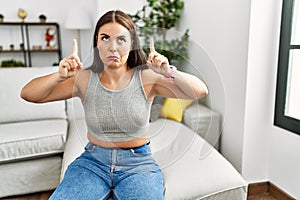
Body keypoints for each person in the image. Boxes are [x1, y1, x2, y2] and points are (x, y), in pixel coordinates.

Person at [21, 10, 208, 200]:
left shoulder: (147, 77)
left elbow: (200, 91)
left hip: (138, 164)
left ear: (132, 43)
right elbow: (28, 94)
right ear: (96, 42)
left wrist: (169, 71)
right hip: (92, 162)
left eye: (121, 39)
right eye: (105, 38)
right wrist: (59, 76)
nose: (113, 47)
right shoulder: (84, 79)